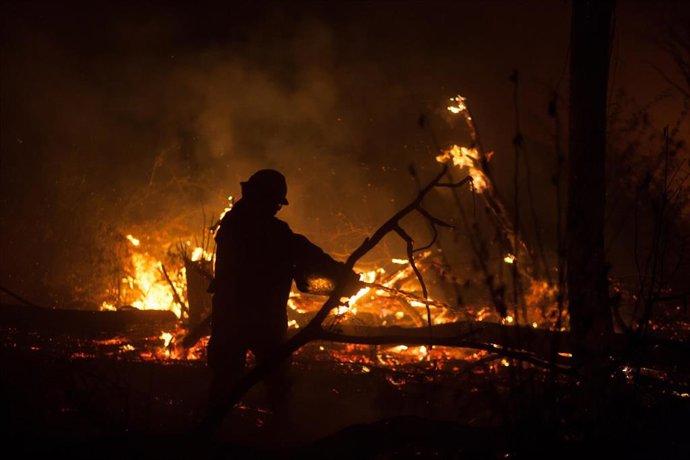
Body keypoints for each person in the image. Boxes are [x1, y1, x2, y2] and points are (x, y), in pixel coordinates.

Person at [206, 169, 359, 426]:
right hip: (260, 319)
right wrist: (343, 278)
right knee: (274, 383)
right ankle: (275, 436)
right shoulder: (265, 231)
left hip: (230, 317)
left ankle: (213, 435)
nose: (278, 208)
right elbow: (302, 252)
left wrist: (342, 278)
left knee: (227, 384)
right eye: (275, 202)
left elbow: (299, 252)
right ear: (263, 198)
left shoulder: (233, 224)